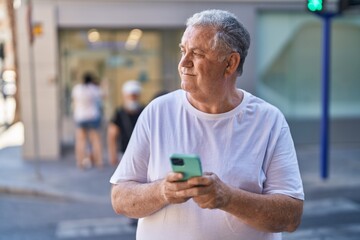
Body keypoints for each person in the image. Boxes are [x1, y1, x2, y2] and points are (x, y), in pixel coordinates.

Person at [110, 9, 304, 240]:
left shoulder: (269, 121)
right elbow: (120, 199)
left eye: (197, 53)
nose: (183, 63)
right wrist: (163, 191)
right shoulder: (157, 111)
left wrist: (228, 198)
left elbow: (291, 216)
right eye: (183, 51)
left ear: (230, 63)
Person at [107, 80, 144, 167]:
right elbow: (112, 134)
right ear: (125, 96)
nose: (132, 98)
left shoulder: (144, 111)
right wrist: (113, 154)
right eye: (130, 96)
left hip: (143, 153)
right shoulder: (119, 113)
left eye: (134, 96)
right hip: (124, 153)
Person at [72, 72, 103, 169]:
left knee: (80, 141)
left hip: (81, 116)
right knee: (96, 140)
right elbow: (103, 97)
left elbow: (74, 101)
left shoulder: (77, 88)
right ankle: (99, 162)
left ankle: (80, 162)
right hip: (93, 116)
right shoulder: (95, 89)